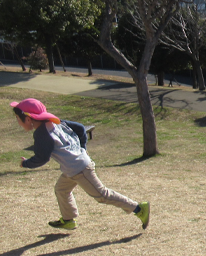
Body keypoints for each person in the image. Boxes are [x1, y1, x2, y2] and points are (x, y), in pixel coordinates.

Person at [11, 98, 150, 231]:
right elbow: (80, 128)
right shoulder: (54, 122)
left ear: (28, 119)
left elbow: (42, 158)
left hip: (79, 169)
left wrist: (26, 163)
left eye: (18, 119)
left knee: (102, 195)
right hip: (72, 167)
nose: (18, 122)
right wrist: (82, 149)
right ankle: (68, 220)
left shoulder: (41, 134)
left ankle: (138, 208)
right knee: (61, 189)